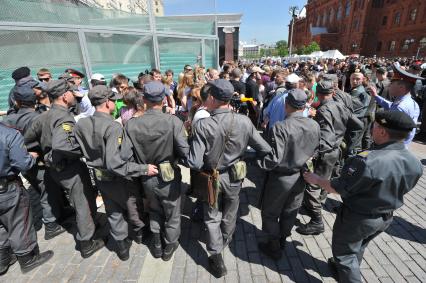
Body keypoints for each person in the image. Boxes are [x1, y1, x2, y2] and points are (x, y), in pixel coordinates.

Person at [303, 110, 423, 283]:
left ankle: (346, 271)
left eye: (375, 125)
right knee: (358, 247)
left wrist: (316, 179)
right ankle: (343, 268)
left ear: (382, 131)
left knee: (344, 254)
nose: (372, 128)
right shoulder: (414, 162)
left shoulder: (368, 161)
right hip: (385, 217)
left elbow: (338, 188)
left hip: (358, 219)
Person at [188, 79, 272, 278]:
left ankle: (216, 255)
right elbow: (265, 149)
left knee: (211, 215)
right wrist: (244, 158)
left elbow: (193, 162)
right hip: (235, 175)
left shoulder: (203, 124)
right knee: (231, 210)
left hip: (211, 177)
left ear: (212, 98)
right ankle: (225, 240)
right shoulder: (243, 120)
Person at [74, 85, 158, 261]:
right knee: (133, 208)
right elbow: (116, 162)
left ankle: (121, 248)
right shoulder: (113, 127)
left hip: (100, 177)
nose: (116, 102)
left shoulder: (82, 123)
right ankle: (140, 234)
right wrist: (143, 168)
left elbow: (78, 149)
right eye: (113, 100)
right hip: (119, 178)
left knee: (112, 211)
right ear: (106, 103)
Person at [122, 81, 189, 261]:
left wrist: (142, 168)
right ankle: (169, 246)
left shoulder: (131, 124)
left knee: (154, 210)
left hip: (147, 176)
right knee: (172, 213)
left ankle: (158, 243)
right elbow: (185, 152)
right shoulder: (173, 121)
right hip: (169, 176)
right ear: (164, 99)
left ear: (144, 99)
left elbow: (124, 157)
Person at [39, 79, 104, 258]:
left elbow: (30, 138)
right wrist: (86, 148)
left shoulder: (46, 115)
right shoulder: (63, 117)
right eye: (72, 92)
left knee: (84, 200)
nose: (75, 96)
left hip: (56, 169)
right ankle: (86, 242)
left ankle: (90, 225)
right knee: (82, 202)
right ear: (64, 96)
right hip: (70, 168)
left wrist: (46, 156)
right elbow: (64, 146)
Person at [257, 89, 320, 260]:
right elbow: (315, 151)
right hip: (301, 176)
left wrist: (260, 164)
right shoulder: (314, 124)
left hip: (281, 178)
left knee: (270, 213)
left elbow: (274, 158)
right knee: (291, 211)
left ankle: (274, 246)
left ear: (286, 105)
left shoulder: (281, 127)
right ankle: (283, 239)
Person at [298, 79, 359, 236]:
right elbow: (358, 125)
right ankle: (317, 204)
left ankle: (316, 221)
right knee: (326, 180)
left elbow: (325, 137)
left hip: (325, 153)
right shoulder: (341, 105)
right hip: (336, 151)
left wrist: (314, 155)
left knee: (312, 185)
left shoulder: (324, 111)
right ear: (332, 92)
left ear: (318, 94)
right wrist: (344, 140)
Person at [0, 123, 53, 275]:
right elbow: (23, 164)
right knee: (19, 222)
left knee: (1, 225)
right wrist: (31, 157)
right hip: (7, 187)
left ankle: (2, 260)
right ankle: (28, 258)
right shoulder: (9, 134)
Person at [372, 63, 423, 145]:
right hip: (402, 146)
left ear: (401, 87)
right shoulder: (412, 103)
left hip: (390, 146)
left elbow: (388, 126)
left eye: (392, 83)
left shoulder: (400, 107)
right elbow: (391, 105)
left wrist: (379, 119)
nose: (389, 86)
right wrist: (376, 96)